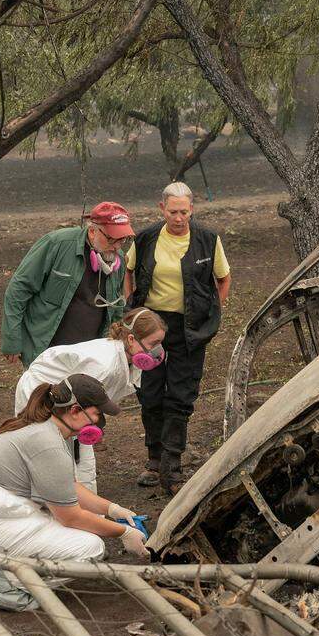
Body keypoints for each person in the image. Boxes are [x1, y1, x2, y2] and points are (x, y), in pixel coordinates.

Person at [0, 374, 148, 610]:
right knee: (90, 548)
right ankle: (6, 585)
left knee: (85, 527)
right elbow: (70, 516)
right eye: (96, 413)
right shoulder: (47, 442)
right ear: (74, 410)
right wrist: (123, 533)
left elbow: (67, 486)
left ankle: (13, 563)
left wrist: (112, 509)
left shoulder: (47, 428)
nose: (99, 421)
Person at [124, 182, 231, 493]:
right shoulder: (145, 238)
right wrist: (132, 309)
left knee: (181, 396)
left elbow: (223, 278)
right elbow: (128, 272)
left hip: (190, 327)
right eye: (173, 211)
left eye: (184, 211)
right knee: (150, 393)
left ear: (192, 210)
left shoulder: (208, 240)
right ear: (162, 209)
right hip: (151, 326)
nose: (179, 217)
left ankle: (173, 463)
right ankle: (153, 459)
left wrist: (213, 310)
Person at [15, 307, 167, 493]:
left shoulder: (127, 358)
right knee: (50, 458)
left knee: (83, 462)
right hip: (41, 391)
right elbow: (79, 399)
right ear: (131, 339)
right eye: (153, 344)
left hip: (73, 401)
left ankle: (87, 513)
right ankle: (54, 510)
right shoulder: (104, 365)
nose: (157, 351)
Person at [1, 201, 133, 368]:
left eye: (122, 240)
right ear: (92, 231)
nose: (117, 247)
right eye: (112, 239)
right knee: (46, 394)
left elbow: (116, 312)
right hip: (47, 352)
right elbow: (18, 290)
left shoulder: (118, 259)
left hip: (91, 356)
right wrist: (12, 340)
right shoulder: (57, 244)